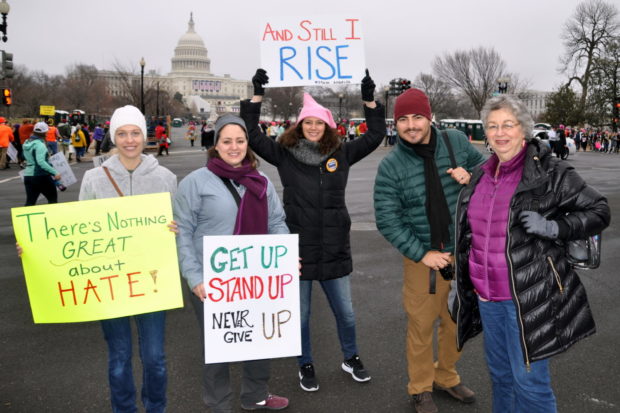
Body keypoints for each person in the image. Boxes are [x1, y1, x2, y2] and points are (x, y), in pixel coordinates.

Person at [450, 95, 610, 413]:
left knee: (530, 386)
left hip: (528, 298)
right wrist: (460, 275)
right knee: (501, 378)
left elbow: (599, 210)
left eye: (508, 124)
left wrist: (555, 228)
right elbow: (473, 234)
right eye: (493, 126)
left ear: (523, 128)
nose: (500, 132)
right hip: (487, 299)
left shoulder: (549, 172)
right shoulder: (481, 174)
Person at [242, 68, 385, 392]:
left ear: (328, 126)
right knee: (301, 317)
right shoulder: (284, 154)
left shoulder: (342, 153)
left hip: (334, 247)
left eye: (319, 123)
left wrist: (369, 101)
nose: (314, 128)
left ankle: (351, 357)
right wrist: (256, 96)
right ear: (300, 125)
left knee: (346, 315)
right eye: (309, 122)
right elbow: (252, 134)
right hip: (298, 251)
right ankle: (304, 363)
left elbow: (375, 136)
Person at [373, 88, 484, 413]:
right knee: (421, 326)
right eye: (403, 119)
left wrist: (473, 176)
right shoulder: (392, 165)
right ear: (396, 124)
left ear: (429, 117)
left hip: (463, 252)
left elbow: (491, 172)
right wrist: (422, 254)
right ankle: (420, 388)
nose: (411, 125)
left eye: (417, 117)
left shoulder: (455, 142)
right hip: (422, 256)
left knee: (455, 323)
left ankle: (446, 376)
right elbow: (387, 219)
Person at [174, 114, 290, 412]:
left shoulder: (260, 181)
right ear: (216, 145)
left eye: (240, 141)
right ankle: (219, 403)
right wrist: (194, 277)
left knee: (259, 338)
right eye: (227, 141)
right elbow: (183, 232)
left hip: (256, 277)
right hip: (211, 282)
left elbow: (276, 221)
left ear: (247, 144)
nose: (234, 147)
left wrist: (284, 259)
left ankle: (256, 395)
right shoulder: (195, 183)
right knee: (218, 347)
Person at [79, 105, 177, 413]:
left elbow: (179, 226)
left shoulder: (165, 178)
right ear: (113, 137)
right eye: (122, 133)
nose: (130, 140)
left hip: (152, 281)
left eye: (135, 133)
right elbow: (78, 233)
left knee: (155, 358)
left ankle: (156, 408)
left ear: (144, 135)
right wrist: (36, 247)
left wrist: (176, 229)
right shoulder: (94, 179)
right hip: (112, 284)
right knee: (119, 358)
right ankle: (124, 409)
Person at [22, 122, 61, 205]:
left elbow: (23, 156)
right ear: (45, 132)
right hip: (40, 175)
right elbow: (41, 162)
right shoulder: (40, 145)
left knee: (30, 202)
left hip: (28, 175)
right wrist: (55, 172)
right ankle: (51, 217)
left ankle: (25, 217)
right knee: (52, 200)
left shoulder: (27, 142)